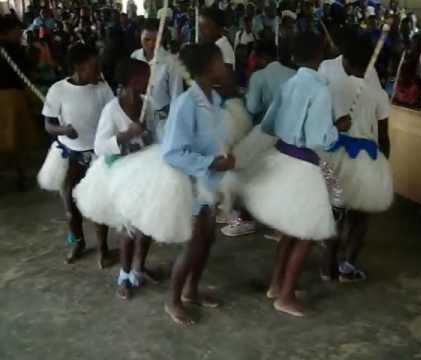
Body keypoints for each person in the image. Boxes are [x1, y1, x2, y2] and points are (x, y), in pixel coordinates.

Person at [237, 32, 350, 316]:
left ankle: (277, 284)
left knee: (289, 229)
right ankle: (286, 295)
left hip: (282, 158)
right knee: (307, 233)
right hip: (303, 165)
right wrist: (339, 127)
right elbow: (320, 138)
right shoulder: (320, 90)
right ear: (319, 54)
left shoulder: (289, 85)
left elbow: (269, 124)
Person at [162, 43, 233, 326]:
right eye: (219, 62)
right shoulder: (187, 103)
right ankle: (173, 298)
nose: (224, 67)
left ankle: (191, 291)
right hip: (192, 184)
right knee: (194, 243)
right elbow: (172, 152)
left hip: (209, 183)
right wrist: (214, 163)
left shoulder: (213, 98)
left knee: (208, 239)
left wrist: (223, 158)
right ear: (206, 67)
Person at [318, 30, 393, 283]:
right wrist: (384, 165)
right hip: (366, 157)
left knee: (334, 213)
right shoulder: (378, 94)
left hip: (334, 153)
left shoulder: (331, 86)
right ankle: (347, 267)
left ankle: (327, 268)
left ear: (345, 60)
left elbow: (320, 118)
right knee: (360, 216)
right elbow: (384, 136)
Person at [41, 44, 114, 265]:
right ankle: (77, 241)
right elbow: (49, 125)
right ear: (79, 67)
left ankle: (103, 248)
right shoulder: (58, 90)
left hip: (96, 155)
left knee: (98, 205)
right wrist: (64, 130)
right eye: (94, 66)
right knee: (71, 208)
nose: (99, 71)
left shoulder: (102, 89)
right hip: (69, 154)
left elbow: (113, 115)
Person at [93, 58, 159, 299]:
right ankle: (124, 273)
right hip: (122, 174)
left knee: (147, 224)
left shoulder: (147, 104)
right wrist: (125, 135)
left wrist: (148, 135)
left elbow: (155, 136)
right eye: (146, 77)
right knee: (129, 228)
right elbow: (99, 146)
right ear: (133, 81)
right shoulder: (112, 109)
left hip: (146, 169)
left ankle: (139, 268)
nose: (150, 82)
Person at [0, 15, 38, 191]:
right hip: (11, 99)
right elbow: (27, 70)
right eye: (18, 31)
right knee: (16, 140)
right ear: (8, 32)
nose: (20, 34)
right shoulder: (15, 50)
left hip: (12, 97)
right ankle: (20, 174)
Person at [130, 19, 183, 140]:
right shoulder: (134, 57)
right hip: (139, 119)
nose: (151, 44)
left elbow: (176, 96)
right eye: (147, 39)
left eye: (156, 40)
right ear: (140, 37)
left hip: (162, 121)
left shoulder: (171, 62)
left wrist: (173, 122)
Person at [244, 41, 295, 123]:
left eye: (256, 57)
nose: (255, 61)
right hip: (291, 125)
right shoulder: (294, 73)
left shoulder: (258, 76)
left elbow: (252, 108)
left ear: (264, 57)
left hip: (268, 127)